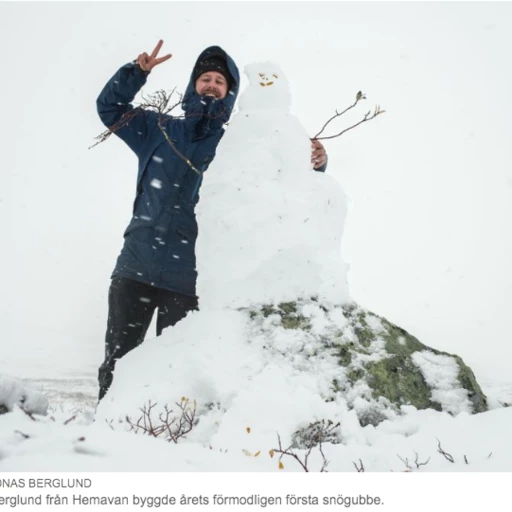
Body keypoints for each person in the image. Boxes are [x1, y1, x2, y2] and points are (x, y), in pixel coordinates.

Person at [96, 41, 328, 400]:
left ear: (230, 94)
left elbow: (282, 178)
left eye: (220, 81)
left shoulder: (235, 146)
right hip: (135, 270)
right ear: (193, 86)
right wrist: (136, 72)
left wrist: (314, 161)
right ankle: (105, 440)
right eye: (205, 78)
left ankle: (162, 445)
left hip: (189, 281)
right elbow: (109, 108)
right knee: (118, 365)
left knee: (174, 375)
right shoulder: (157, 129)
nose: (212, 85)